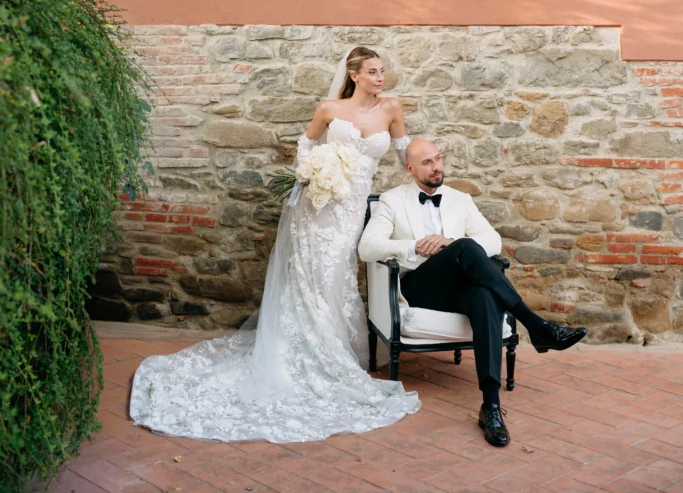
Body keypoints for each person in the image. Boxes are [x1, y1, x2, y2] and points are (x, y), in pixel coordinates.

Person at [129, 46, 419, 443]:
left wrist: (421, 169)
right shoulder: (329, 109)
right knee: (313, 273)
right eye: (372, 71)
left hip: (351, 209)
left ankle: (332, 347)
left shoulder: (391, 108)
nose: (380, 77)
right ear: (354, 75)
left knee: (337, 273)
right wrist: (310, 174)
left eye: (381, 71)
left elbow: (406, 151)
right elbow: (305, 145)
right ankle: (310, 349)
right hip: (319, 205)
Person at [358, 138, 589, 448]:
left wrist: (449, 242)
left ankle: (491, 407)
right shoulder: (391, 200)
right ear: (410, 168)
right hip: (419, 286)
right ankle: (537, 326)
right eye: (428, 162)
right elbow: (367, 247)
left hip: (457, 287)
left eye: (439, 159)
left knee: (483, 295)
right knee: (465, 247)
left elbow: (492, 240)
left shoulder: (460, 200)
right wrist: (414, 245)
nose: (437, 166)